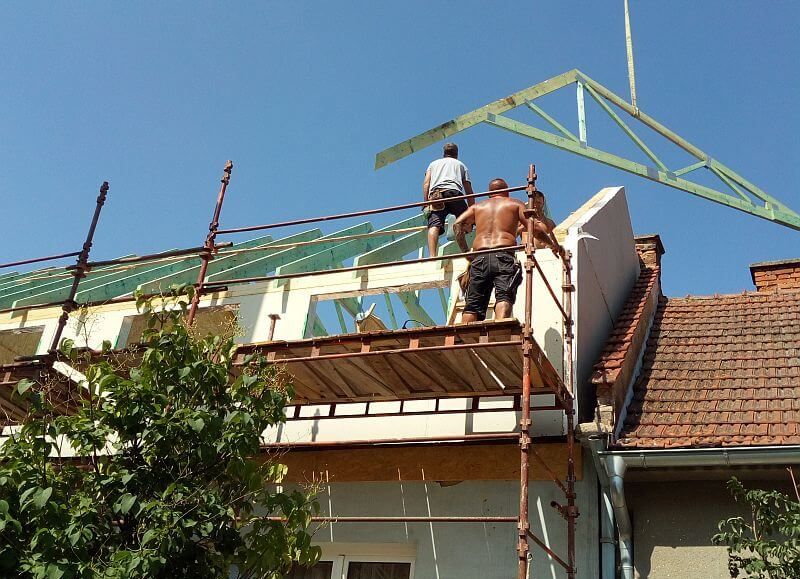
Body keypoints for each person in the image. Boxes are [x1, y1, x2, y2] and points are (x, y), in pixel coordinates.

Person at [453, 178, 563, 322]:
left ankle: (466, 335)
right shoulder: (514, 204)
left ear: (490, 193)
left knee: (472, 306)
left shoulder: (477, 207)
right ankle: (500, 330)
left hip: (480, 258)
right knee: (504, 297)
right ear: (507, 192)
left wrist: (466, 252)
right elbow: (534, 229)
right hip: (503, 255)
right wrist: (553, 245)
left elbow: (457, 225)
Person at [422, 142, 474, 257]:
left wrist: (426, 203)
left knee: (434, 225)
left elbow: (426, 183)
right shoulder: (461, 165)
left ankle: (432, 256)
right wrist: (471, 211)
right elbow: (468, 189)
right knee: (463, 222)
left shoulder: (433, 164)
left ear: (444, 153)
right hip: (454, 194)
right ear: (456, 154)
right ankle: (465, 251)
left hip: (436, 196)